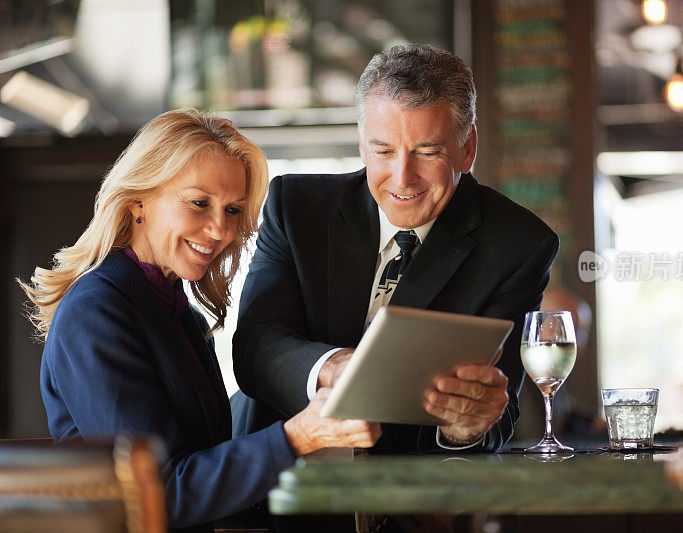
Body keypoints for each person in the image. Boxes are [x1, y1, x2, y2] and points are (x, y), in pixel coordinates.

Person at [19, 108, 380, 531]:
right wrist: (300, 435)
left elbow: (204, 472)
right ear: (139, 202)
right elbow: (157, 495)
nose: (218, 230)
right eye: (198, 203)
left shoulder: (177, 311)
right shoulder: (96, 311)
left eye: (232, 211)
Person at [233, 44, 559, 454]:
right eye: (383, 151)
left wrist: (466, 428)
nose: (402, 179)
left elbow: (499, 411)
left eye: (427, 151)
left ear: (467, 148)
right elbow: (255, 350)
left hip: (407, 498)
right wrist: (334, 368)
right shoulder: (295, 207)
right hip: (277, 481)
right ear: (361, 144)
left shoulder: (518, 244)